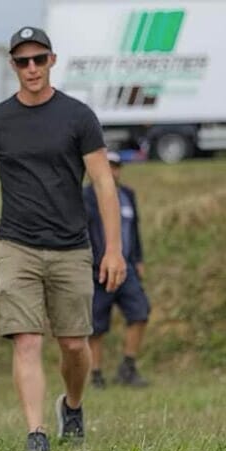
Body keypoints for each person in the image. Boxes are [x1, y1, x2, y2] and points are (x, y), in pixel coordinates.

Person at [0, 26, 127, 451]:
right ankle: (36, 433)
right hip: (17, 246)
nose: (31, 68)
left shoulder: (78, 116)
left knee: (74, 344)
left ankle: (72, 404)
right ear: (13, 65)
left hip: (71, 245)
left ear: (51, 61)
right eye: (22, 61)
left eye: (38, 59)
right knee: (27, 339)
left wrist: (114, 248)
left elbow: (105, 184)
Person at [84, 151, 150, 388]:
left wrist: (138, 259)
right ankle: (95, 374)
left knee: (140, 312)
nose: (112, 171)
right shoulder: (85, 197)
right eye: (107, 166)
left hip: (126, 267)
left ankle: (128, 367)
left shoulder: (127, 195)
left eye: (116, 166)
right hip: (97, 269)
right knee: (97, 325)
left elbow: (134, 230)